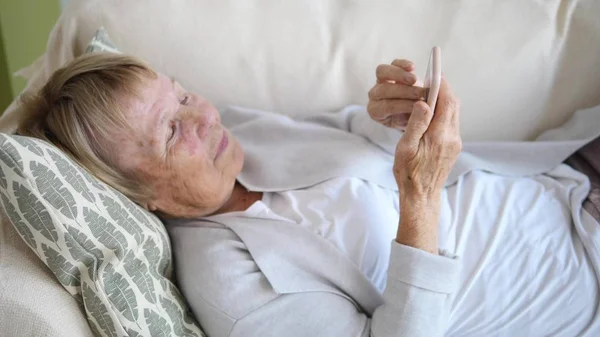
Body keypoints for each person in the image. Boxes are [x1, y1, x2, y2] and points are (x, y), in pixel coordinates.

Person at [17, 53, 600, 337]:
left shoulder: (236, 136)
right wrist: (418, 199)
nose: (204, 118)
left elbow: (349, 132)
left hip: (565, 176)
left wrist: (387, 116)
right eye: (170, 132)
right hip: (582, 278)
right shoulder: (234, 293)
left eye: (184, 97)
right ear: (136, 196)